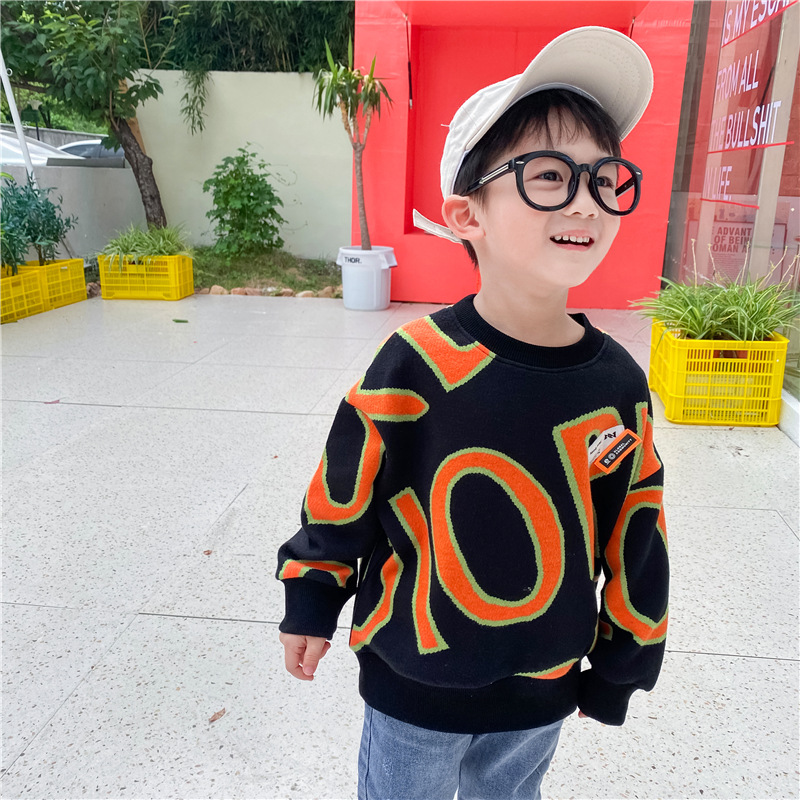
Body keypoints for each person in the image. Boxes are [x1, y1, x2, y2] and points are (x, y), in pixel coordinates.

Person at [277, 25, 668, 800]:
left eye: (604, 178)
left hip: (542, 694)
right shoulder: (416, 361)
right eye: (549, 175)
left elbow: (636, 528)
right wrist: (312, 596)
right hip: (412, 687)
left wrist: (622, 664)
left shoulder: (617, 383)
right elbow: (345, 490)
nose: (586, 200)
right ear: (466, 215)